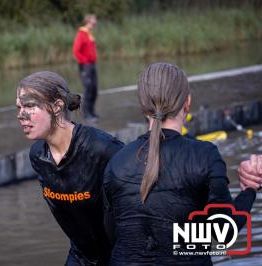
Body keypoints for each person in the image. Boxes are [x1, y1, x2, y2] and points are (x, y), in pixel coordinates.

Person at [103, 63, 259, 265]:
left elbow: (111, 235)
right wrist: (249, 189)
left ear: (142, 107)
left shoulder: (116, 162)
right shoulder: (204, 155)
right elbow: (224, 233)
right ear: (187, 102)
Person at [16, 71, 124, 265]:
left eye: (30, 106)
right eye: (19, 107)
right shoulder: (38, 156)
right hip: (81, 257)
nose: (21, 115)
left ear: (57, 106)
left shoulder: (102, 149)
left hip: (119, 256)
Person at [73, 14, 99, 121]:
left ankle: (92, 112)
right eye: (94, 19)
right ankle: (86, 114)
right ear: (88, 21)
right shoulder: (81, 34)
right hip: (85, 66)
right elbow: (76, 51)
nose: (96, 21)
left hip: (92, 65)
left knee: (94, 89)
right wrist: (85, 62)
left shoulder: (89, 34)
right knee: (88, 89)